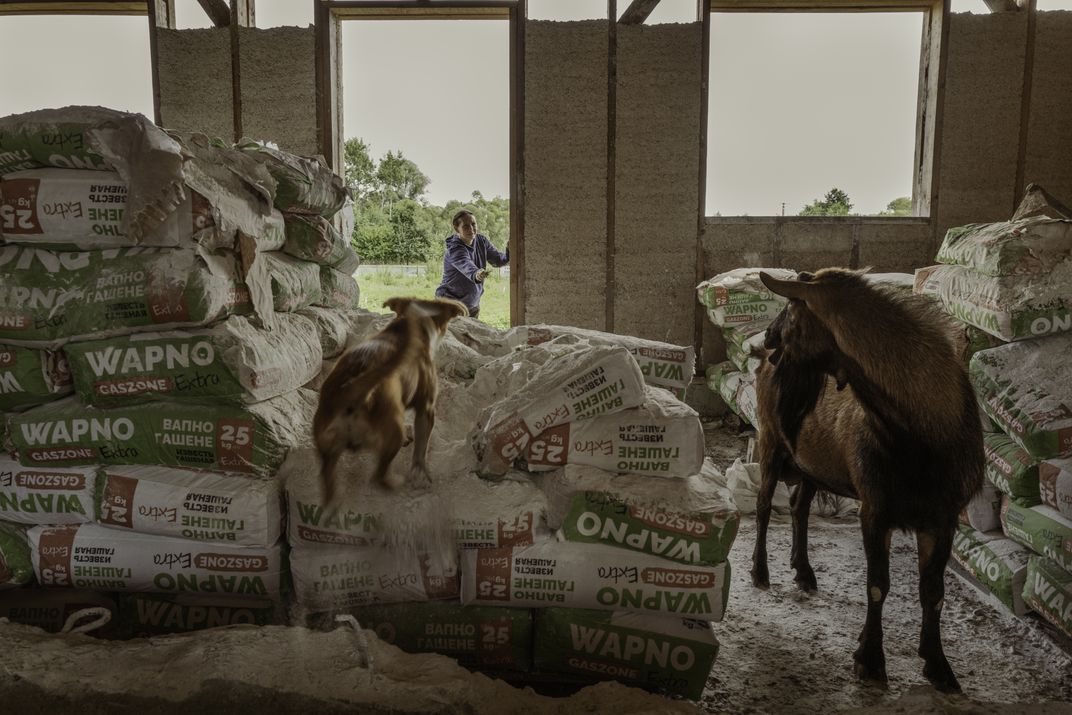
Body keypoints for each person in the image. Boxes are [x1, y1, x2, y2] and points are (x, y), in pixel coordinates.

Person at [434, 209, 509, 320]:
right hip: (450, 306)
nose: (471, 229)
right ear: (457, 228)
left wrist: (509, 251)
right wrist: (477, 273)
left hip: (472, 305)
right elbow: (466, 265)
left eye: (473, 224)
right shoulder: (455, 249)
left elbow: (498, 260)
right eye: (465, 226)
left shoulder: (481, 241)